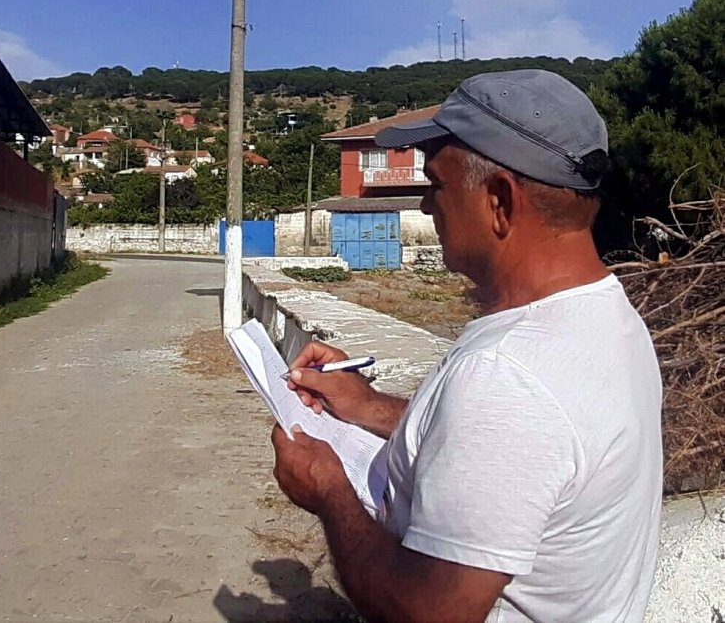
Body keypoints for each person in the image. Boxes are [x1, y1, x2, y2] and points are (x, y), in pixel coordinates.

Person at [271, 69, 662, 623]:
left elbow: (428, 612)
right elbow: (509, 453)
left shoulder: (507, 376)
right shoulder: (606, 316)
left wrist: (329, 490)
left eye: (436, 184)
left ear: (499, 200)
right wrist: (368, 408)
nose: (428, 206)